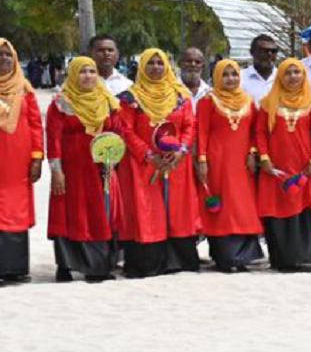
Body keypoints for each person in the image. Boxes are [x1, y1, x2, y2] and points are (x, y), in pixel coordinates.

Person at [116, 49, 201, 278]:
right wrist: (148, 155)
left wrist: (181, 150)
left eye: (160, 63)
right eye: (150, 63)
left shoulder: (181, 95)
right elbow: (126, 130)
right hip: (142, 164)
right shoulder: (129, 98)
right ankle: (148, 263)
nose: (155, 67)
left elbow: (189, 125)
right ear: (142, 67)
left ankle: (178, 261)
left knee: (177, 210)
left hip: (175, 162)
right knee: (147, 210)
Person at [46, 57, 124, 283]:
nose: (88, 76)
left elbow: (117, 134)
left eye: (92, 71)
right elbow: (53, 138)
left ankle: (97, 268)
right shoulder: (61, 103)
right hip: (71, 171)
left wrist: (112, 162)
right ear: (72, 75)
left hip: (101, 169)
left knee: (99, 214)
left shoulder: (108, 101)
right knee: (70, 214)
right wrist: (56, 171)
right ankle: (66, 266)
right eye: (82, 71)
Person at [255, 58, 311, 271]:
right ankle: (283, 259)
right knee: (279, 209)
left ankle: (308, 258)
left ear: (304, 76)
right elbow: (260, 133)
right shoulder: (268, 103)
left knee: (306, 207)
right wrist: (265, 159)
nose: (293, 76)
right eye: (288, 73)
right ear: (280, 76)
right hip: (277, 168)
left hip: (306, 165)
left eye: (297, 72)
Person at [196, 60, 264, 273]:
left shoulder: (249, 102)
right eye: (225, 75)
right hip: (218, 162)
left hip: (243, 163)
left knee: (242, 207)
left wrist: (253, 152)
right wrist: (202, 160)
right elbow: (202, 133)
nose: (230, 79)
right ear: (217, 77)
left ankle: (243, 257)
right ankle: (224, 256)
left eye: (234, 74)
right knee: (222, 208)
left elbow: (255, 132)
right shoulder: (208, 101)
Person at [0, 39, 44, 283]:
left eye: (8, 55)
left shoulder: (25, 89)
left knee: (15, 211)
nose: (4, 60)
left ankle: (14, 269)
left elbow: (36, 125)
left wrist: (37, 158)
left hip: (18, 163)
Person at [241, 34, 278, 103]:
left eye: (273, 51)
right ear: (252, 52)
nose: (270, 54)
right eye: (264, 51)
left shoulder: (283, 77)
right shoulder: (239, 78)